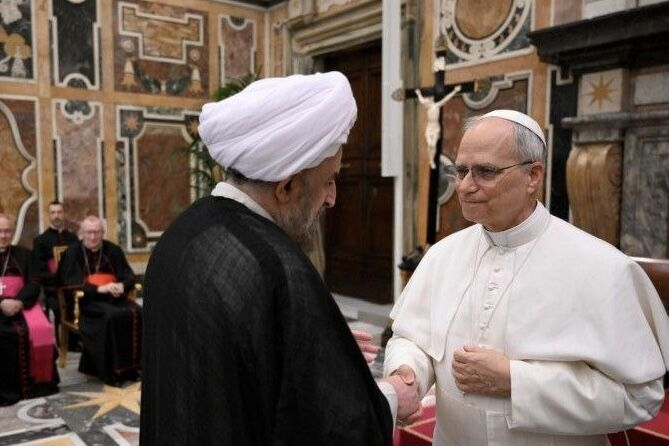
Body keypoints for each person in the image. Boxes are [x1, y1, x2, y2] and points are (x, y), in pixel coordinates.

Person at [140, 72, 420, 445]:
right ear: (287, 186)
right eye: (329, 180)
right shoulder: (275, 263)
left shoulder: (184, 230)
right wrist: (389, 399)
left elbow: (223, 353)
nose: (332, 198)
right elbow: (326, 427)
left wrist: (312, 346)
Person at [384, 109, 669, 445]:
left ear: (533, 175)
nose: (465, 186)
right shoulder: (441, 255)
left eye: (485, 172)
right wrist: (407, 371)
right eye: (460, 171)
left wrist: (515, 382)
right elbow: (412, 338)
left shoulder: (603, 268)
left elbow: (640, 397)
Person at [57, 216, 141, 385]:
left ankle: (132, 368)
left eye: (97, 232)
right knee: (111, 316)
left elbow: (128, 275)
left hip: (114, 298)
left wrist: (122, 285)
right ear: (81, 234)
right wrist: (98, 289)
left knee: (137, 312)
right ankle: (111, 372)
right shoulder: (72, 253)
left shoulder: (113, 250)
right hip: (87, 302)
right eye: (89, 232)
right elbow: (67, 282)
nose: (93, 237)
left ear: (103, 233)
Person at [0, 213, 59, 406]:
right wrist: (2, 303)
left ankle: (38, 385)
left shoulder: (24, 254)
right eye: (0, 231)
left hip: (22, 305)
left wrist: (18, 302)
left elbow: (34, 282)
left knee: (41, 329)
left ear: (13, 232)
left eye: (7, 231)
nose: (4, 235)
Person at [33, 200, 78, 343]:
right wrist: (57, 277)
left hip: (72, 285)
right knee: (59, 305)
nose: (56, 215)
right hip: (51, 287)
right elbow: (38, 270)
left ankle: (78, 339)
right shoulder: (40, 241)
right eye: (53, 212)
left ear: (64, 214)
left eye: (59, 212)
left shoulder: (73, 238)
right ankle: (63, 342)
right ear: (49, 215)